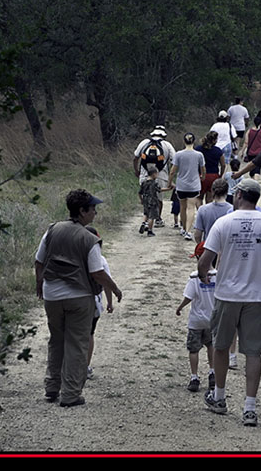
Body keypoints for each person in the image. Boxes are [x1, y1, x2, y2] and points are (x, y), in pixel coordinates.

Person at [197, 178, 261, 427]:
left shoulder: (223, 223)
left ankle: (220, 397)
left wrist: (204, 276)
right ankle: (250, 407)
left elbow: (205, 260)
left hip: (227, 296)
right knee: (253, 352)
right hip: (258, 297)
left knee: (221, 347)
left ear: (240, 194)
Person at [34, 189, 122, 407]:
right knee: (76, 343)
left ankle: (52, 386)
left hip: (52, 295)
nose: (95, 213)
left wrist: (40, 284)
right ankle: (71, 393)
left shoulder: (52, 230)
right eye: (92, 209)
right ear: (82, 211)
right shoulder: (89, 239)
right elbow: (97, 273)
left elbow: (39, 261)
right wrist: (115, 289)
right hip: (79, 297)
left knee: (56, 340)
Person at [176, 268, 217, 393]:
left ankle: (194, 377)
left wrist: (180, 307)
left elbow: (189, 296)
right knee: (211, 346)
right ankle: (212, 373)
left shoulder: (194, 277)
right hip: (212, 319)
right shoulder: (217, 276)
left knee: (193, 350)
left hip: (196, 321)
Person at [84, 226, 114, 380]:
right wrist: (109, 302)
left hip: (73, 299)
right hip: (92, 302)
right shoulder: (100, 260)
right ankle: (85, 366)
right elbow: (106, 282)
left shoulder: (74, 256)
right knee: (89, 334)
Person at [133, 128, 176, 227]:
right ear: (164, 136)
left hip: (145, 174)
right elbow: (174, 160)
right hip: (161, 175)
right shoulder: (167, 145)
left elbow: (135, 157)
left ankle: (146, 218)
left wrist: (137, 171)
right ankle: (158, 219)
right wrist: (170, 179)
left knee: (147, 196)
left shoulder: (144, 142)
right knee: (159, 198)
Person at [168, 133, 206, 240]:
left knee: (182, 207)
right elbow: (203, 169)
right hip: (194, 185)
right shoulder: (199, 155)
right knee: (191, 208)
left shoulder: (178, 154)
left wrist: (170, 182)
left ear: (184, 141)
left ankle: (184, 228)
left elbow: (172, 171)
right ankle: (189, 231)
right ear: (194, 141)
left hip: (181, 185)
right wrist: (202, 177)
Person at [193, 178, 232, 245]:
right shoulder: (232, 210)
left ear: (212, 191)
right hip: (226, 249)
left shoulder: (203, 209)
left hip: (209, 246)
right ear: (227, 191)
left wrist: (200, 246)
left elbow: (197, 235)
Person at [139, 166, 173, 237]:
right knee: (151, 216)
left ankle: (143, 223)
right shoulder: (154, 183)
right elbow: (159, 189)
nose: (157, 175)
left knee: (146, 213)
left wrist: (141, 200)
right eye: (157, 174)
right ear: (154, 174)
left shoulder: (144, 182)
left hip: (145, 200)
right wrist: (168, 189)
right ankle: (150, 230)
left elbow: (139, 192)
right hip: (153, 201)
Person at [195, 131, 225, 205]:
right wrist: (220, 175)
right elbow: (223, 165)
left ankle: (200, 212)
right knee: (210, 198)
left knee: (199, 197)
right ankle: (207, 213)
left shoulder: (198, 149)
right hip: (213, 176)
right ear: (214, 140)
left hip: (201, 175)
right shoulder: (218, 151)